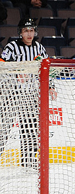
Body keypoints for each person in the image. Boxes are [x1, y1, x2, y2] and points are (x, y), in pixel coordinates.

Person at [1, 18, 48, 168]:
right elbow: (2, 67)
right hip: (12, 94)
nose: (29, 34)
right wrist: (16, 73)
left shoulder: (39, 48)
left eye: (31, 30)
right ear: (20, 33)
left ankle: (28, 161)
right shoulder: (12, 47)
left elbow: (47, 70)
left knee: (31, 129)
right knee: (3, 127)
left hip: (32, 95)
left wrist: (51, 86)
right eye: (26, 31)